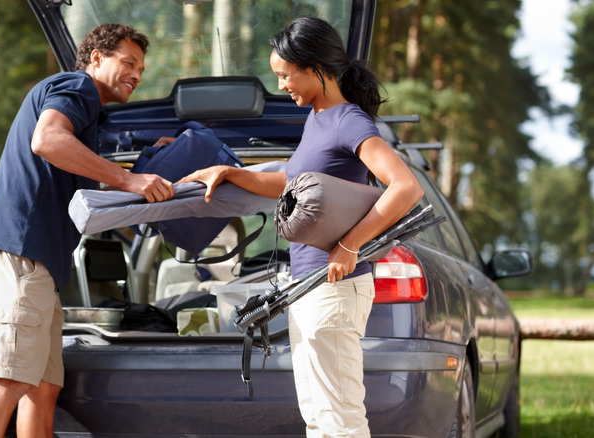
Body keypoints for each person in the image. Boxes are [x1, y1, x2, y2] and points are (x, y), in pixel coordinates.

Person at [179, 17, 424, 437]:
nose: (280, 86)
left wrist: (349, 245)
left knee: (339, 416)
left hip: (335, 287)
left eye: (284, 75)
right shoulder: (316, 119)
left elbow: (406, 187)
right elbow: (287, 182)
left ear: (313, 67)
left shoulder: (348, 120)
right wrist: (230, 171)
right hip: (309, 285)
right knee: (317, 414)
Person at [0, 24, 174, 437]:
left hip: (39, 261)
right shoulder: (77, 85)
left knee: (41, 388)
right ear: (96, 58)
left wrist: (150, 154)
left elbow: (78, 156)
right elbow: (47, 140)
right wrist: (129, 180)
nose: (137, 74)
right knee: (9, 378)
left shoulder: (89, 114)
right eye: (128, 62)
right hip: (21, 250)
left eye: (142, 69)